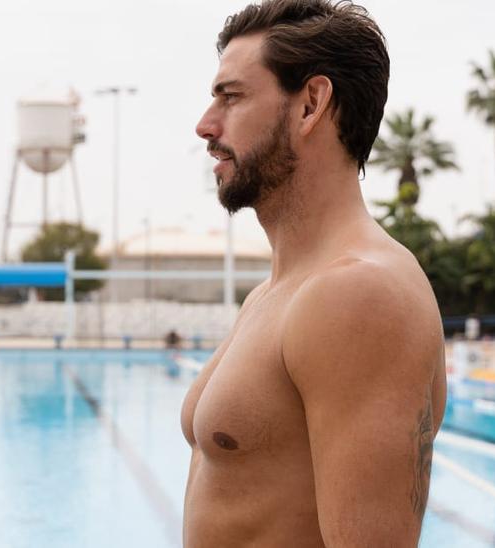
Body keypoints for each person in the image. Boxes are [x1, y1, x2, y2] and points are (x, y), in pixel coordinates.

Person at [181, 1, 447, 545]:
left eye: (231, 97)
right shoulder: (274, 294)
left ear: (311, 104)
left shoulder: (359, 293)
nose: (206, 126)